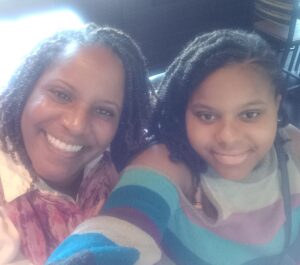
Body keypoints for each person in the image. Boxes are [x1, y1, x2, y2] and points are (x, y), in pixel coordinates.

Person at [46, 29, 300, 265]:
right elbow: (112, 234)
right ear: (184, 113)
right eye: (207, 116)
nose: (228, 137)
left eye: (250, 114)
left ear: (276, 106)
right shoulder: (166, 163)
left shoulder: (292, 147)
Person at [0, 23, 153, 265]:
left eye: (104, 111)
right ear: (26, 89)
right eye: (62, 95)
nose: (77, 125)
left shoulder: (123, 162)